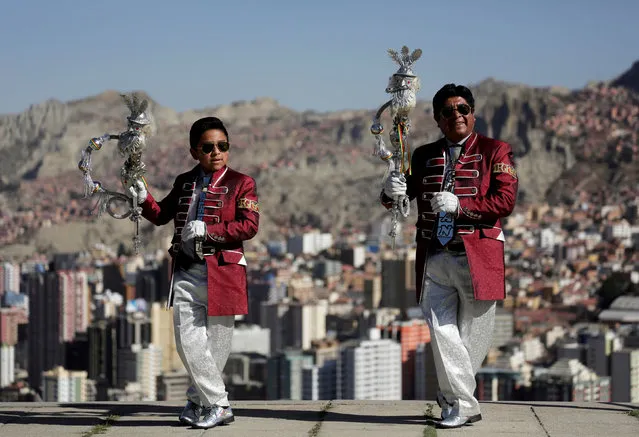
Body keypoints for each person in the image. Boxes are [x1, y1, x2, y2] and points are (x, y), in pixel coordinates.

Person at [381, 84, 518, 428]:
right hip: (435, 256)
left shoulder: (495, 151)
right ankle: (465, 405)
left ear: (473, 113)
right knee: (442, 331)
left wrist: (461, 206)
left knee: (472, 338)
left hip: (477, 254)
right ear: (438, 119)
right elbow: (399, 201)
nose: (456, 115)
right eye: (447, 111)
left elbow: (505, 202)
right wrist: (389, 191)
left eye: (462, 109)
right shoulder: (424, 156)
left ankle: (452, 399)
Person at [129, 116, 260, 429]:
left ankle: (198, 400)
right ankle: (219, 404)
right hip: (187, 270)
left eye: (222, 146)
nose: (216, 152)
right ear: (194, 151)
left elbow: (249, 226)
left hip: (224, 273)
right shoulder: (184, 181)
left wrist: (210, 230)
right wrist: (142, 196)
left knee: (217, 347)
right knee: (187, 342)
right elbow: (161, 215)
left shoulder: (242, 182)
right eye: (208, 147)